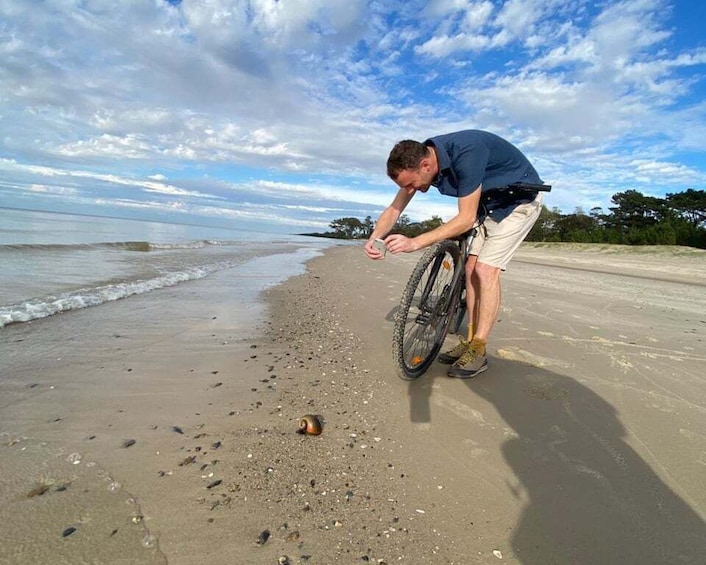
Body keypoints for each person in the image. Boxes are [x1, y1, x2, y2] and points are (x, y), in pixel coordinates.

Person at [364, 130, 547, 378]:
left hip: (519, 201)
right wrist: (375, 238)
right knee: (470, 269)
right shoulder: (420, 161)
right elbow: (395, 208)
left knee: (485, 270)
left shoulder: (466, 152)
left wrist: (415, 242)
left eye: (411, 184)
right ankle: (470, 340)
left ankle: (479, 350)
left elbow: (465, 219)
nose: (410, 189)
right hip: (489, 204)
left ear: (425, 165)